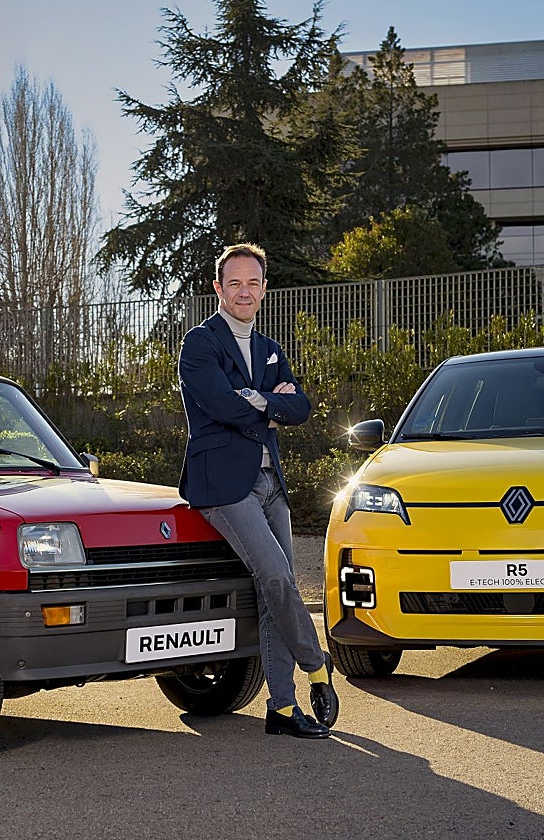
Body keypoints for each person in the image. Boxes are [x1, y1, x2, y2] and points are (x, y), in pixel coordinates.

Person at [177, 242, 338, 739]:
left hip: (272, 485)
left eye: (253, 283)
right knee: (278, 579)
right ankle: (317, 666)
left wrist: (256, 399)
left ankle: (282, 708)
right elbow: (222, 406)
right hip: (224, 486)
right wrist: (271, 403)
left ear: (264, 289)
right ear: (218, 288)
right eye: (234, 283)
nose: (244, 291)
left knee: (274, 594)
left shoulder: (270, 347)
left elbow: (302, 408)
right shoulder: (200, 343)